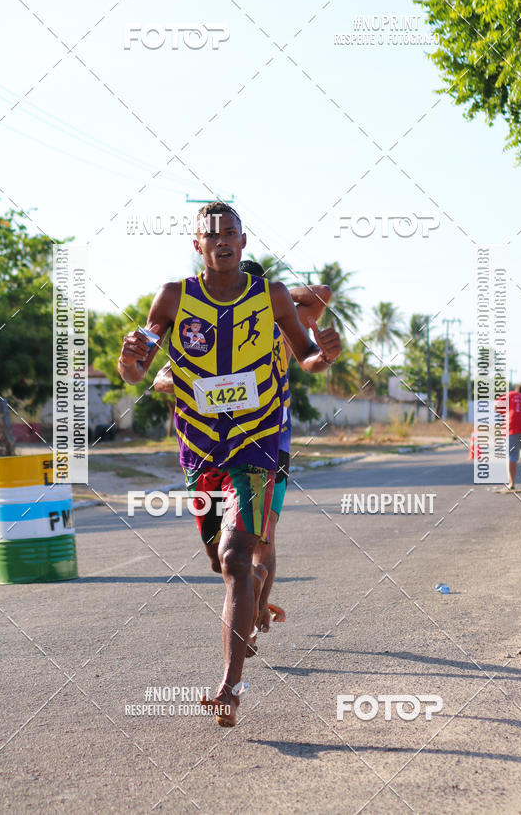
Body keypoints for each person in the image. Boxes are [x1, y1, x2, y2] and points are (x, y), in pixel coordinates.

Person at [118, 202, 340, 726]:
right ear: (198, 244)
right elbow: (136, 372)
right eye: (210, 233)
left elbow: (304, 355)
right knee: (221, 564)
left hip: (260, 441)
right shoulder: (173, 297)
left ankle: (229, 685)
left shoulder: (273, 296)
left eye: (230, 233)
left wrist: (324, 355)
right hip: (200, 449)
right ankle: (256, 603)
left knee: (240, 557)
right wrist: (130, 357)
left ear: (243, 242)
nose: (220, 240)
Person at [238, 260, 332, 639]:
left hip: (233, 443)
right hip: (274, 440)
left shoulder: (234, 328)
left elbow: (322, 295)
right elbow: (320, 295)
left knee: (236, 539)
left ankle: (249, 607)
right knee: (266, 535)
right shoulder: (281, 324)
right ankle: (258, 606)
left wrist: (259, 294)